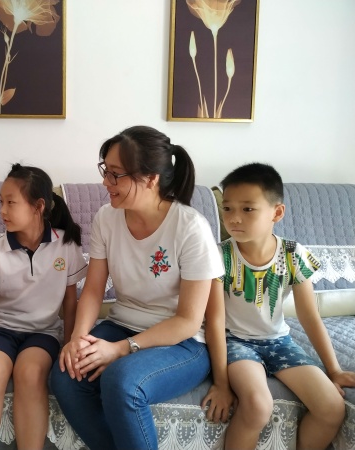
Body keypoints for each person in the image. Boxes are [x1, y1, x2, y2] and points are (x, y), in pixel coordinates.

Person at [50, 125, 224, 450]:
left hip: (182, 343)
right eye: (105, 170)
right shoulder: (106, 218)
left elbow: (188, 321)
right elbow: (93, 291)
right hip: (122, 324)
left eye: (115, 174)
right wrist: (77, 339)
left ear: (151, 179)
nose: (106, 182)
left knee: (122, 381)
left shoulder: (190, 228)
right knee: (65, 374)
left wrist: (120, 349)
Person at [202, 162, 355, 449]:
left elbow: (310, 317)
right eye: (228, 208)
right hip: (236, 341)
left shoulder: (293, 254)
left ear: (277, 212)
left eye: (248, 209)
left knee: (332, 408)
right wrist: (221, 384)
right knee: (258, 406)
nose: (234, 218)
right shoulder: (219, 256)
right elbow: (214, 321)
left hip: (279, 341)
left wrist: (333, 370)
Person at [0, 163, 88, 449]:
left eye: (10, 203)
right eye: (1, 202)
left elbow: (70, 303)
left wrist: (69, 345)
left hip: (43, 333)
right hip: (0, 330)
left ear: (38, 206)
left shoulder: (66, 246)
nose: (2, 210)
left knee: (30, 373)